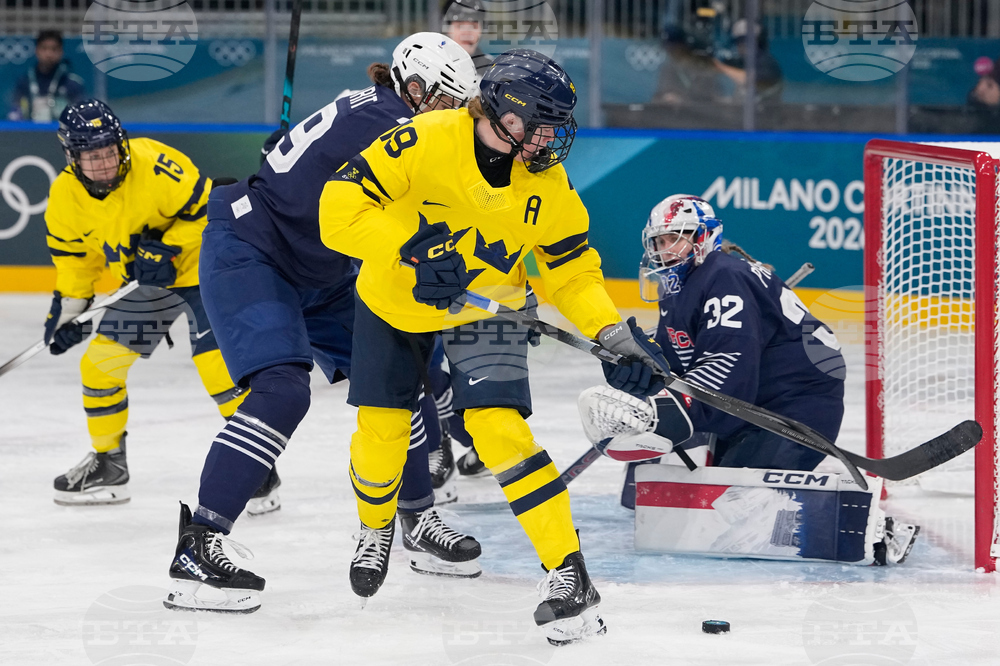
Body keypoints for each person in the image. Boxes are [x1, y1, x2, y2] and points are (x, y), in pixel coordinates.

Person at [316, 49, 673, 645]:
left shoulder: (544, 179)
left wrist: (611, 334)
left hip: (490, 307)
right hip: (392, 300)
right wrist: (411, 247)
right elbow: (338, 206)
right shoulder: (425, 139)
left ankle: (569, 573)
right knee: (382, 430)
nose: (554, 140)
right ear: (506, 116)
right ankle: (376, 526)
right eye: (544, 125)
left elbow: (571, 270)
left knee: (499, 428)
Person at [163, 33, 485, 615]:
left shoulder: (377, 106)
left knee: (399, 376)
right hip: (253, 250)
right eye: (445, 104)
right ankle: (201, 545)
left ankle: (415, 519)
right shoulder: (392, 126)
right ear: (414, 89)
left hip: (320, 264)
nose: (451, 119)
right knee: (282, 389)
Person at [577, 194, 919, 565]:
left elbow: (728, 363)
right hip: (751, 403)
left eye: (675, 238)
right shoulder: (680, 287)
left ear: (703, 236)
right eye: (659, 241)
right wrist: (636, 365)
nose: (665, 250)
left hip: (796, 406)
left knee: (736, 509)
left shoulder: (724, 276)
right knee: (665, 492)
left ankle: (878, 531)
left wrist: (671, 411)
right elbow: (675, 364)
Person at [43, 100, 268, 509]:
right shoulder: (64, 197)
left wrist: (167, 246)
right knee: (99, 364)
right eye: (92, 156)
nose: (104, 163)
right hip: (148, 289)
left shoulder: (157, 163)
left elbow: (211, 210)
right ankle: (109, 464)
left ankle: (256, 468)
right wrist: (69, 315)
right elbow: (76, 262)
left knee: (219, 369)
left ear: (122, 146)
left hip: (209, 270)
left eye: (109, 151)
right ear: (72, 157)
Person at [8, 30, 86, 122]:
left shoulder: (73, 84)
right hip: (29, 132)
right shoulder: (24, 82)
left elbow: (81, 116)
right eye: (44, 49)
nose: (49, 54)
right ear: (36, 51)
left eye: (54, 49)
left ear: (61, 52)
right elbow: (15, 111)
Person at [443, 0, 492, 76]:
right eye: (460, 26)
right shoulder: (432, 65)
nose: (467, 33)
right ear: (447, 29)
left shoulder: (492, 71)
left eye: (473, 26)